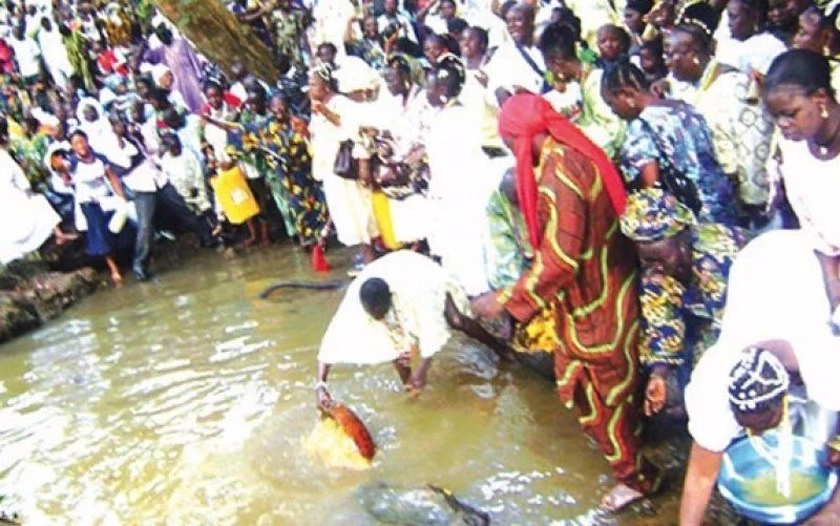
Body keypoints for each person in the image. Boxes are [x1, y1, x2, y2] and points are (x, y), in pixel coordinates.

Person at [470, 93, 660, 511]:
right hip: (606, 288)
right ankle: (635, 451)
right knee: (592, 382)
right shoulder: (577, 148)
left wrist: (502, 300)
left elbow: (560, 260)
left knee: (599, 395)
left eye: (509, 145)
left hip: (597, 304)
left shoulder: (560, 173)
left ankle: (637, 478)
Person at [315, 250, 509, 410]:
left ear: (390, 299)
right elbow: (332, 341)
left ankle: (500, 348)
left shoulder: (419, 292)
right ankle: (411, 388)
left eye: (381, 313)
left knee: (457, 320)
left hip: (419, 271)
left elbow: (432, 331)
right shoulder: (354, 302)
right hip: (391, 274)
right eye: (374, 316)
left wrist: (422, 369)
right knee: (390, 341)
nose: (378, 318)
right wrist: (321, 385)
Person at [619, 188, 745, 418]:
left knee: (713, 381)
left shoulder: (716, 262)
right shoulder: (655, 272)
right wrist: (659, 374)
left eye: (661, 258)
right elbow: (662, 324)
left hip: (756, 309)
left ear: (682, 242)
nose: (655, 266)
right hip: (710, 315)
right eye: (647, 260)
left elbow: (734, 333)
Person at [663, 10, 776, 230]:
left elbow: (753, 145)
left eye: (669, 54)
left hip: (744, 202)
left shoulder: (735, 85)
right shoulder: (688, 84)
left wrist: (753, 200)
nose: (666, 62)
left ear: (692, 53)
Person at [601, 60, 737, 225]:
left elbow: (652, 187)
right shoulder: (684, 108)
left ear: (625, 94)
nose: (613, 111)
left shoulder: (641, 126)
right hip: (723, 201)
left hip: (693, 215)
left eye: (611, 103)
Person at [538, 20, 626, 158]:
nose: (551, 73)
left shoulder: (595, 82)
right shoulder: (584, 81)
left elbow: (614, 133)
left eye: (549, 67)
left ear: (557, 63)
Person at [67, 129, 132, 284]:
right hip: (89, 203)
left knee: (119, 228)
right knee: (101, 235)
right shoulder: (72, 162)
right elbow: (62, 170)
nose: (80, 145)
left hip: (105, 200)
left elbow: (112, 178)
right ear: (72, 147)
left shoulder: (100, 159)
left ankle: (125, 258)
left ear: (87, 141)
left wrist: (122, 197)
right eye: (76, 143)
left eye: (82, 141)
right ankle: (114, 269)